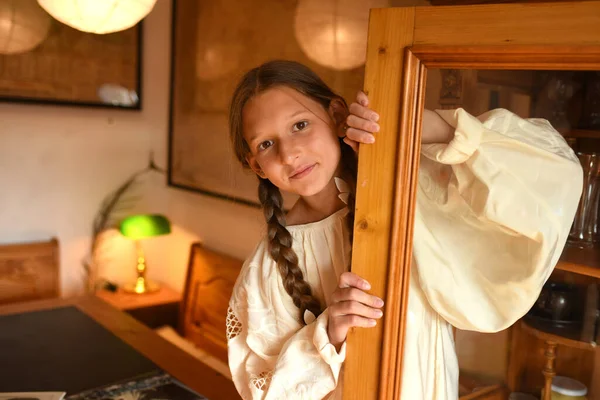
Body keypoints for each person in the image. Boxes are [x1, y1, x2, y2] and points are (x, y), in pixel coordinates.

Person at [226, 60, 582, 399]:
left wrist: (424, 126)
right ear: (257, 166)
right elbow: (263, 389)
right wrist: (328, 334)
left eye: (300, 125)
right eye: (266, 144)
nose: (289, 154)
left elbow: (553, 171)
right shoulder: (267, 269)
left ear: (336, 115)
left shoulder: (417, 191)